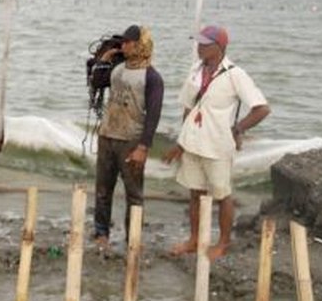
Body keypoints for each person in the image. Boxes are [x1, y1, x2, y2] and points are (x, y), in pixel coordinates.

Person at [163, 24, 271, 260]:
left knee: (222, 195)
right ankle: (194, 239)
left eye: (204, 44)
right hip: (193, 143)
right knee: (195, 193)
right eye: (198, 43)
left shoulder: (234, 74)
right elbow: (188, 107)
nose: (199, 47)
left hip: (217, 146)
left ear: (219, 47)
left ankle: (223, 243)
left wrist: (238, 129)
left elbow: (262, 108)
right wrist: (181, 143)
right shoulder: (196, 70)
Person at [91, 25, 163, 251]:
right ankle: (101, 233)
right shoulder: (118, 70)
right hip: (107, 135)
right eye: (122, 42)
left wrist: (143, 147)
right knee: (103, 189)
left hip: (131, 140)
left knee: (134, 193)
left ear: (140, 44)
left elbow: (153, 115)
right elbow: (97, 82)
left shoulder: (152, 77)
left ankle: (133, 237)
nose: (123, 45)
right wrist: (104, 60)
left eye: (128, 42)